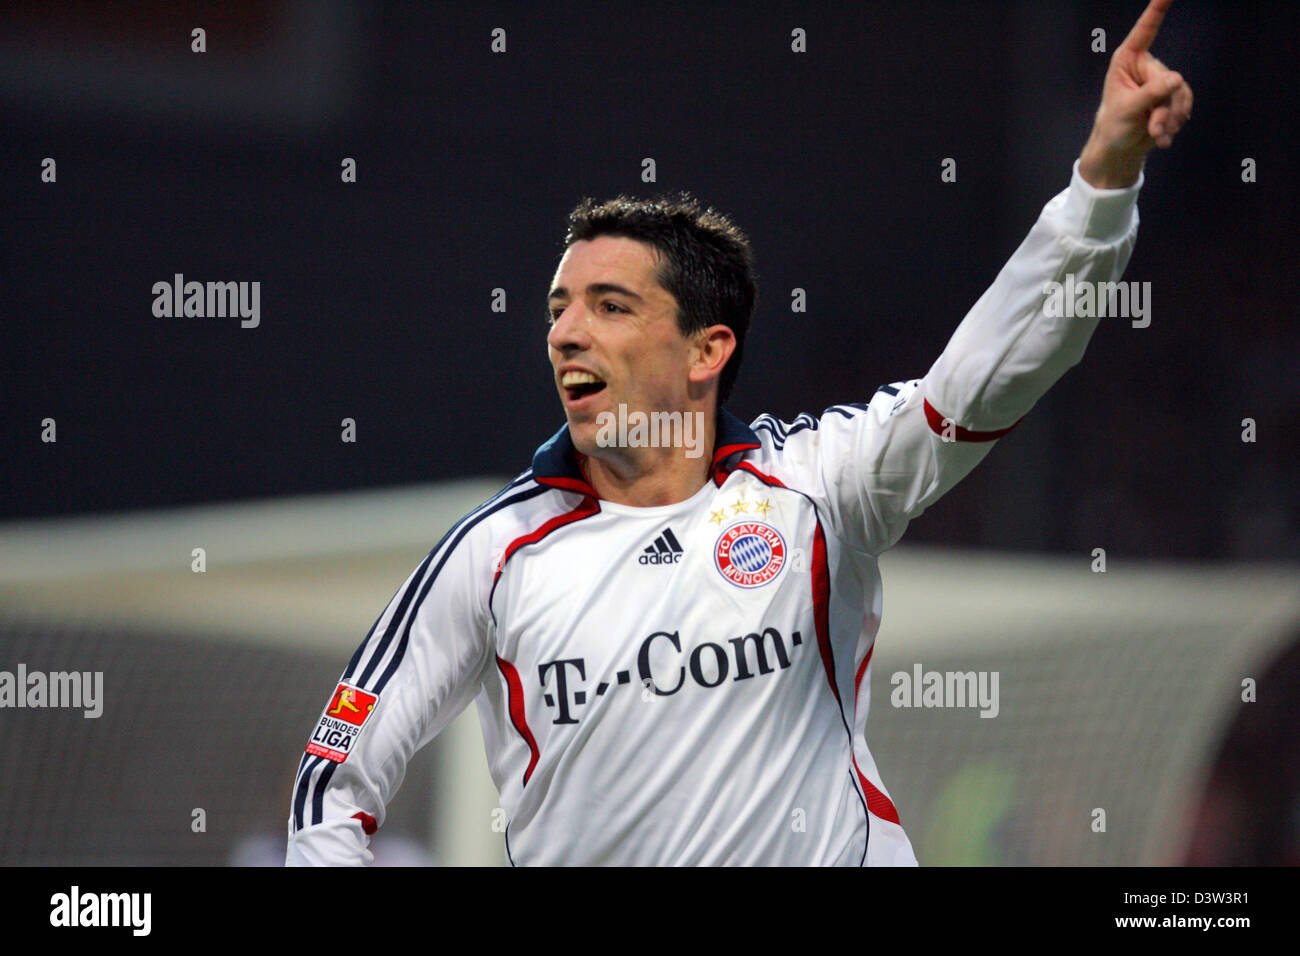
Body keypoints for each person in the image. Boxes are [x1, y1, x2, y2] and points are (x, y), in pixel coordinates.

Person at [286, 0, 1192, 865]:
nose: (566, 331)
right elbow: (335, 779)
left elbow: (996, 373)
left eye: (610, 306)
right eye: (560, 307)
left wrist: (1101, 186)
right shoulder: (492, 556)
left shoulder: (820, 485)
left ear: (706, 349)